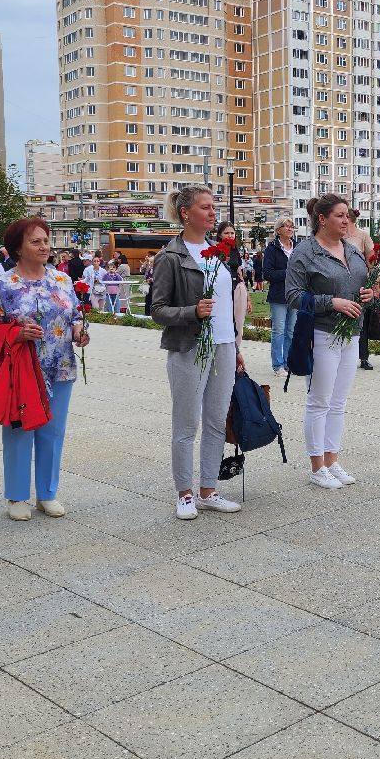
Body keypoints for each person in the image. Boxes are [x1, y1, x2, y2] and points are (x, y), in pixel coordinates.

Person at [0, 217, 90, 520]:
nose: (44, 246)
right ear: (17, 248)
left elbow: (74, 315)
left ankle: (47, 493)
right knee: (19, 430)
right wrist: (17, 334)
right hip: (22, 370)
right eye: (36, 241)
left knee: (53, 432)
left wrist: (80, 332)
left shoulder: (61, 280)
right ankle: (16, 496)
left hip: (61, 367)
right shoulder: (3, 284)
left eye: (46, 240)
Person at [148, 185, 246, 518]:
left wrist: (235, 344)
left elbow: (225, 307)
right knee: (186, 424)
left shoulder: (218, 253)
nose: (212, 212)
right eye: (205, 207)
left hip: (222, 345)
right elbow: (157, 309)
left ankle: (208, 489)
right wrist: (191, 311)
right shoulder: (170, 257)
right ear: (186, 213)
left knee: (217, 421)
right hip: (188, 346)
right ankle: (185, 493)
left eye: (213, 206)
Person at [285, 193, 374, 489]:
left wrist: (371, 295)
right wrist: (330, 302)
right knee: (319, 400)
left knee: (338, 402)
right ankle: (316, 466)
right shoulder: (305, 252)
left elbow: (365, 285)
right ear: (321, 219)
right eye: (339, 215)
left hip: (352, 332)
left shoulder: (352, 251)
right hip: (322, 333)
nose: (346, 220)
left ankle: (332, 460)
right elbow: (293, 295)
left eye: (347, 215)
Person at [263, 217, 298, 373]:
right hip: (278, 295)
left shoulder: (297, 247)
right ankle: (277, 365)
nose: (290, 229)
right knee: (278, 331)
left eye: (292, 227)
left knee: (291, 331)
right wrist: (289, 273)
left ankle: (288, 362)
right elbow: (268, 274)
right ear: (278, 230)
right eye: (286, 226)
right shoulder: (272, 249)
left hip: (295, 295)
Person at [349, 208, 376, 370]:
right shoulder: (338, 235)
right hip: (341, 283)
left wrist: (373, 282)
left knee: (362, 321)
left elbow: (371, 260)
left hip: (360, 284)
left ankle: (363, 357)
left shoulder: (363, 236)